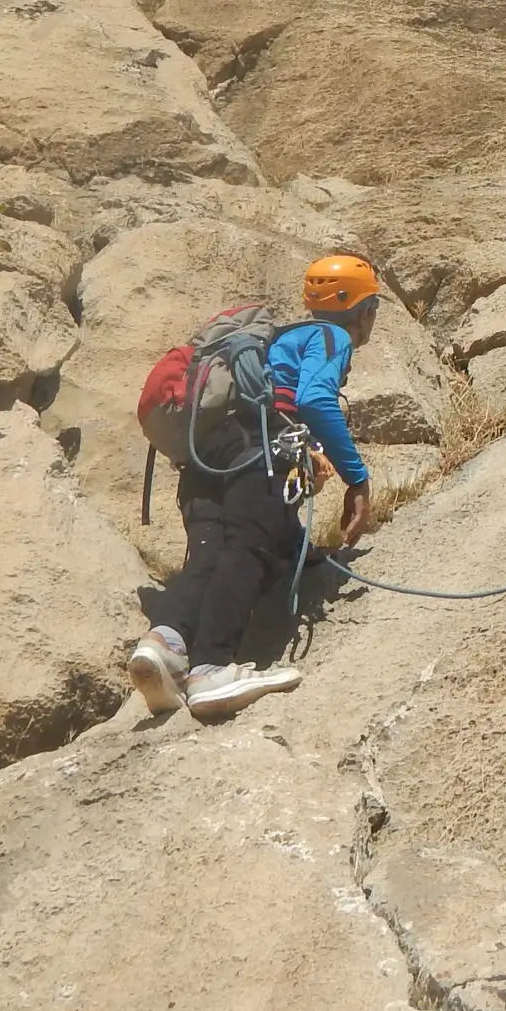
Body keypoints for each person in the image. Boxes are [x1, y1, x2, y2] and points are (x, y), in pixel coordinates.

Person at [128, 254, 380, 720]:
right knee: (249, 547)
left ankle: (165, 643)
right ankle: (210, 668)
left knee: (213, 551)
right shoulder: (332, 336)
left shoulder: (274, 340)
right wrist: (358, 480)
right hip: (259, 449)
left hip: (206, 455)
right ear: (365, 311)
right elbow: (314, 400)